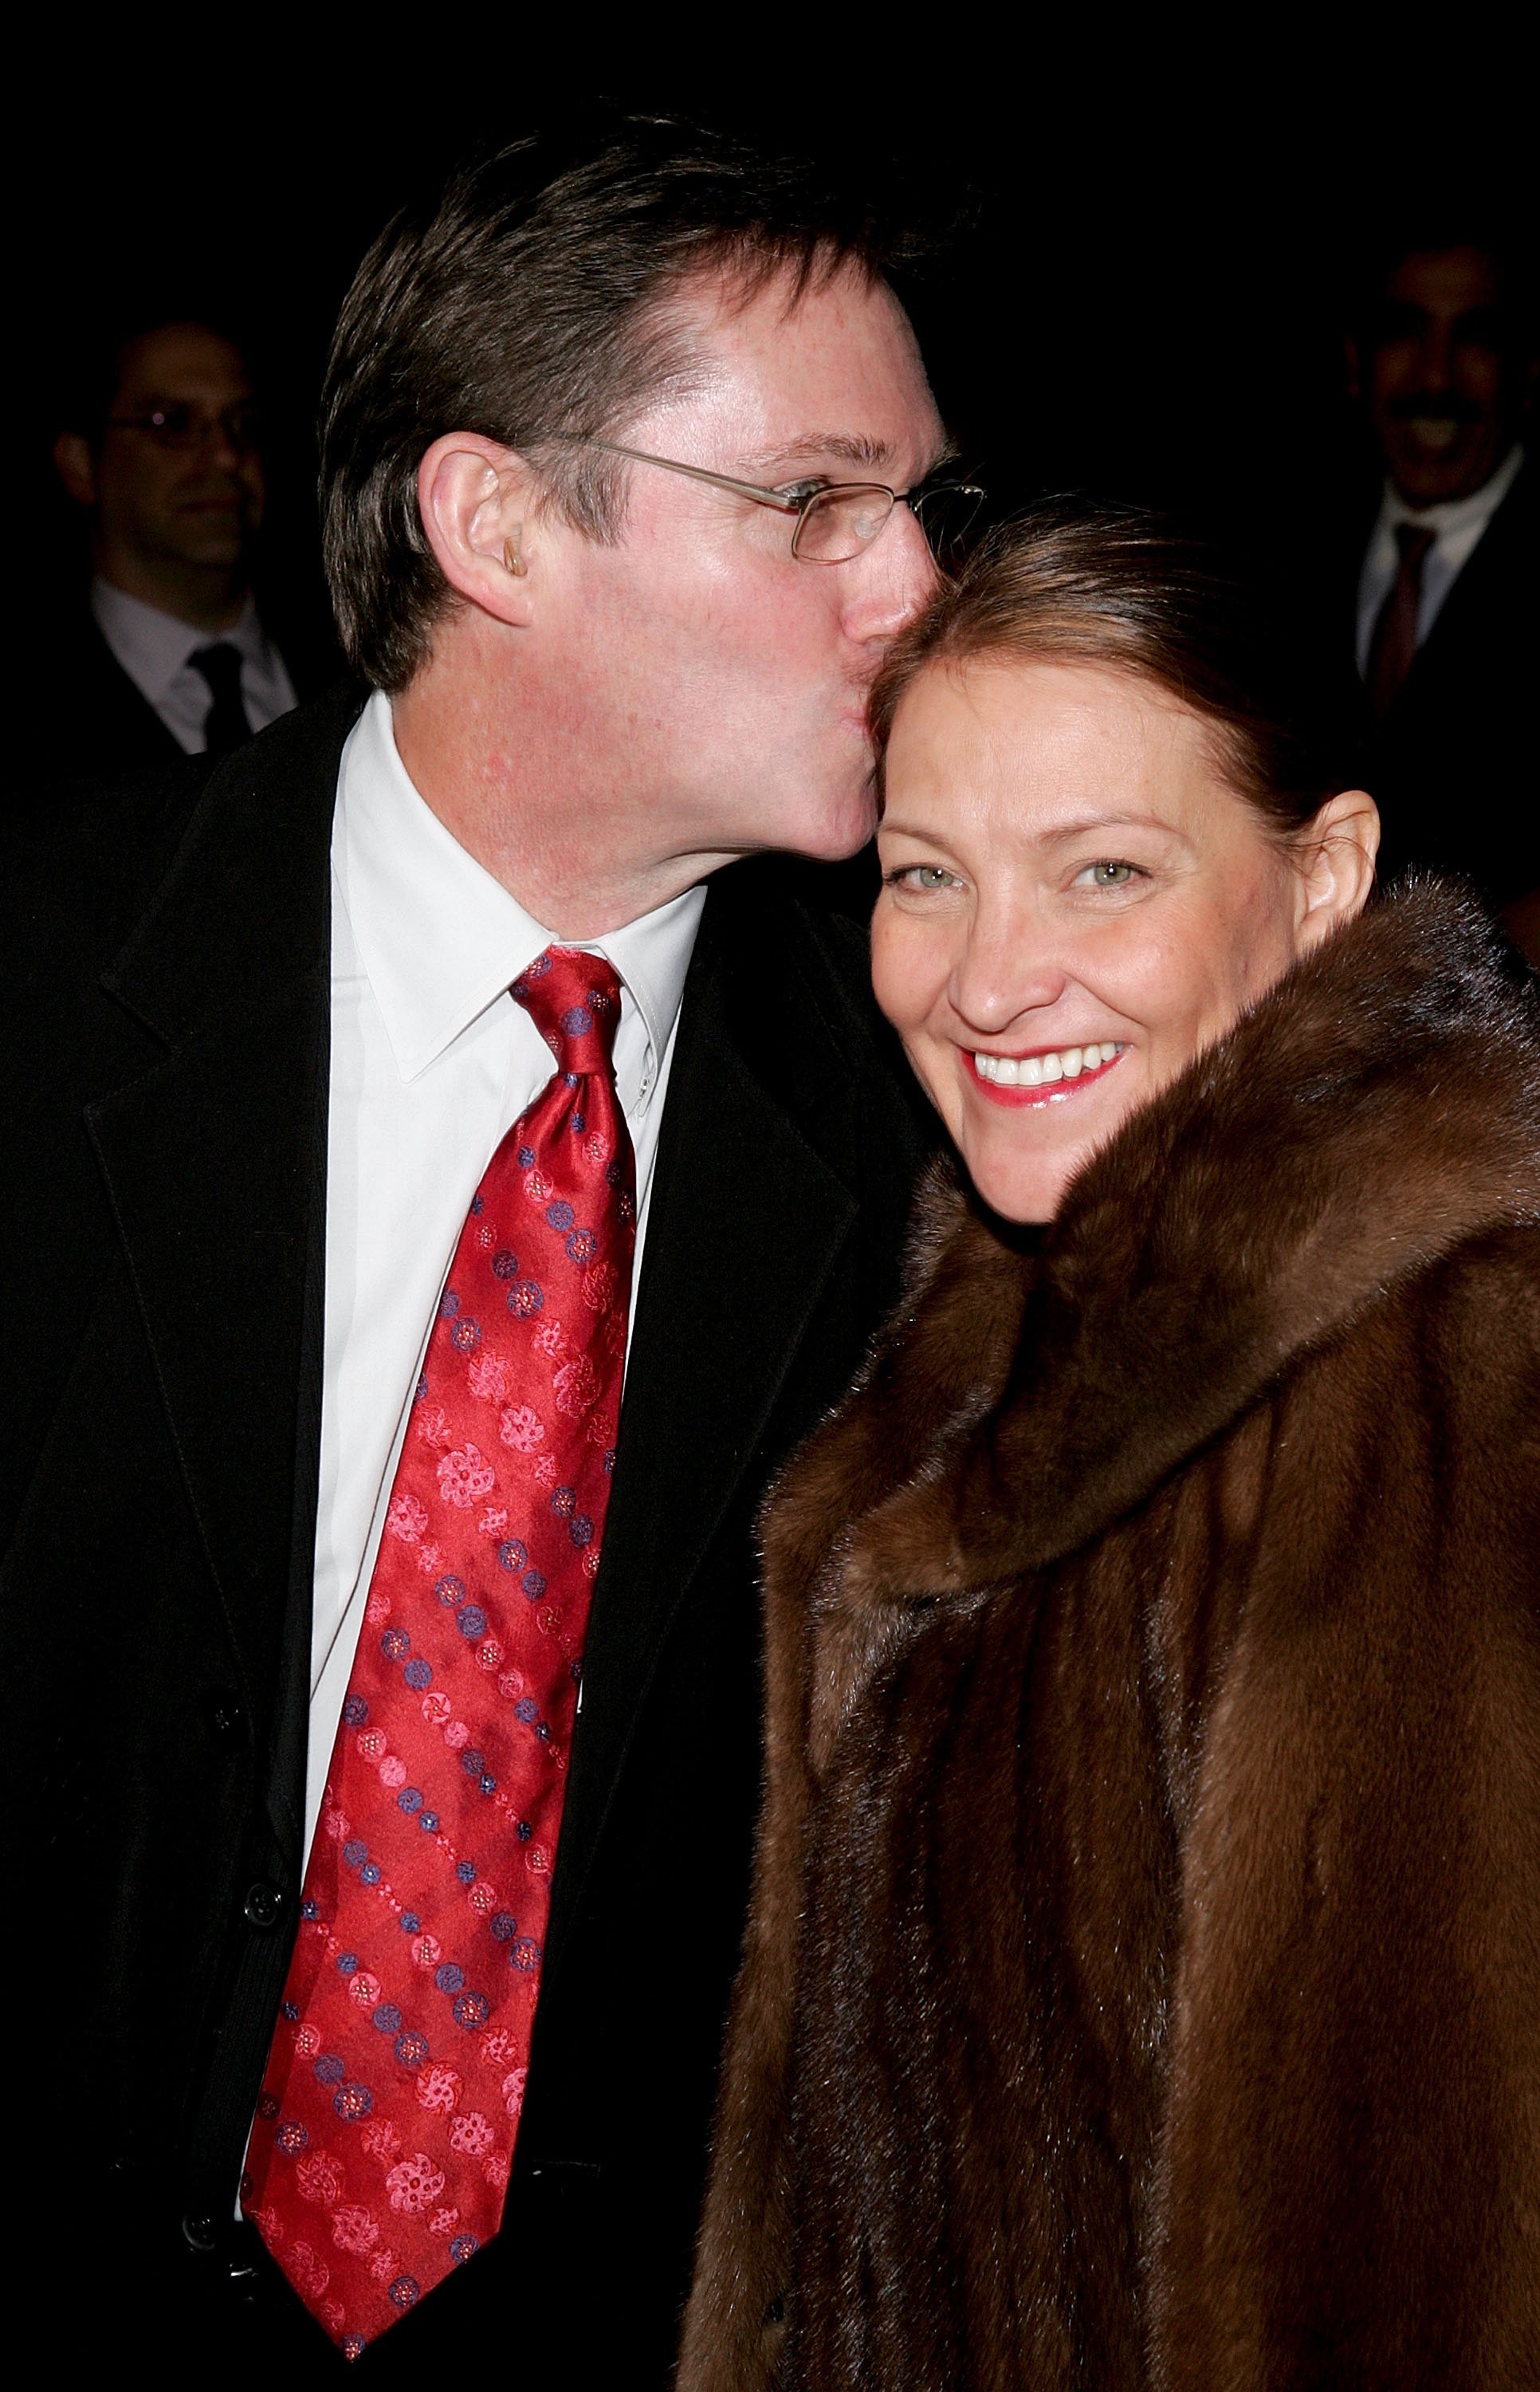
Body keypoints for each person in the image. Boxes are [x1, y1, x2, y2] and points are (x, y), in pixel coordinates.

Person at [3, 121, 960, 2373]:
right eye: (815, 501)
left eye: (926, 505)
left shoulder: (938, 1130)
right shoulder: (42, 975)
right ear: (496, 519)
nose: (911, 585)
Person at [682, 505, 1540, 2392]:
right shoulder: (1006, 1310)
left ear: (1326, 878)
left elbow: (1388, 2284)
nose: (988, 982)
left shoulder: (1424, 1389)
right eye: (926, 875)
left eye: (1103, 872)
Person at [1343, 234, 1536, 914]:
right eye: (1405, 332)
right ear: (1356, 363)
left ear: (1528, 375)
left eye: (1476, 338)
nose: (1436, 378)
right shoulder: (1267, 560)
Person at [41, 313, 324, 777]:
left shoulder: (365, 662)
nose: (226, 456)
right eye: (171, 424)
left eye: (244, 423)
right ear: (80, 465)